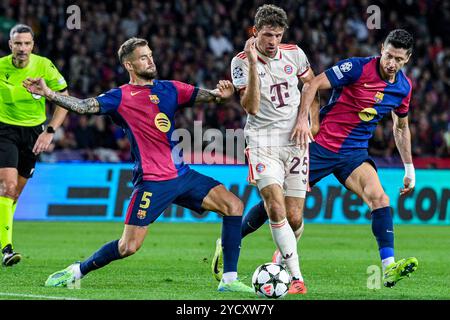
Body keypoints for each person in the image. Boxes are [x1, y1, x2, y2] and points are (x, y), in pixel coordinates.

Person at [23, 37, 253, 293]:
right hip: (152, 183)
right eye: (143, 57)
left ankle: (229, 279)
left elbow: (209, 97)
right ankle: (77, 270)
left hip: (183, 175)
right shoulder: (120, 97)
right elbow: (84, 107)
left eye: (150, 55)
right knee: (128, 247)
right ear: (129, 65)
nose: (150, 60)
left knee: (234, 206)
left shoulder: (170, 89)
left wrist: (220, 94)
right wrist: (49, 94)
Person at [221, 29, 419, 288]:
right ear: (382, 48)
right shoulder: (357, 68)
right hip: (320, 146)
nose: (392, 64)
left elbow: (401, 127)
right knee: (279, 205)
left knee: (379, 198)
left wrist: (409, 168)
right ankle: (228, 241)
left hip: (354, 153)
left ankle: (389, 267)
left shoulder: (403, 88)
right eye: (389, 56)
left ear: (408, 59)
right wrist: (304, 119)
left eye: (399, 60)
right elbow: (313, 83)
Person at [212, 4, 320, 295]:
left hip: (296, 141)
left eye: (278, 35)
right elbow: (250, 106)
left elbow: (311, 85)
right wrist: (251, 63)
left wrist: (310, 122)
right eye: (267, 35)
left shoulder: (295, 54)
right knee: (274, 203)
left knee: (295, 217)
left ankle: (281, 257)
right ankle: (296, 277)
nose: (272, 41)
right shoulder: (240, 62)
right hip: (262, 142)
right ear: (255, 32)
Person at [0, 24, 69, 266]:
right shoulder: (0, 68)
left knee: (14, 194)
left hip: (34, 134)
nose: (22, 48)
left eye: (26, 43)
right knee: (6, 188)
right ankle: (6, 249)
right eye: (17, 43)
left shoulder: (44, 65)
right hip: (4, 130)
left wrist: (50, 131)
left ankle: (2, 233)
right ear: (10, 45)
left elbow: (64, 98)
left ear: (32, 45)